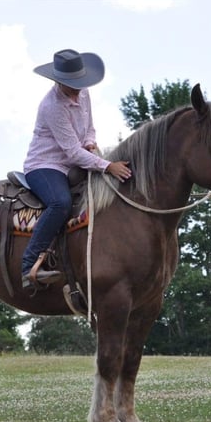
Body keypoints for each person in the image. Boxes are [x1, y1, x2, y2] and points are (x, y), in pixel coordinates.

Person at [21, 49, 131, 288]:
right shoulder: (51, 106)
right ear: (58, 81)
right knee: (60, 202)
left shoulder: (83, 93)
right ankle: (28, 265)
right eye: (72, 85)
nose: (77, 89)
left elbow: (89, 127)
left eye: (79, 83)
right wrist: (107, 166)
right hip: (46, 165)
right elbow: (71, 151)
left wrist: (91, 141)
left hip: (76, 159)